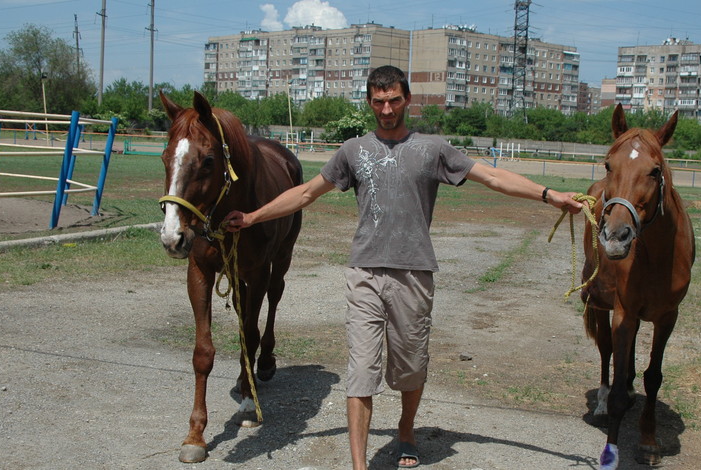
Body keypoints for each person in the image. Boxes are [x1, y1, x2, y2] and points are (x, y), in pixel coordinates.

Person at [226, 65, 583, 469]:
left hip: (414, 274)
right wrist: (254, 217)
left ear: (407, 100)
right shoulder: (352, 150)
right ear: (368, 102)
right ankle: (360, 465)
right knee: (361, 371)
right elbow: (307, 192)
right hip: (364, 274)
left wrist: (550, 195)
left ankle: (406, 430)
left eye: (394, 100)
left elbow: (493, 177)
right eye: (379, 101)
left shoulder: (433, 148)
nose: (387, 108)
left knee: (410, 369)